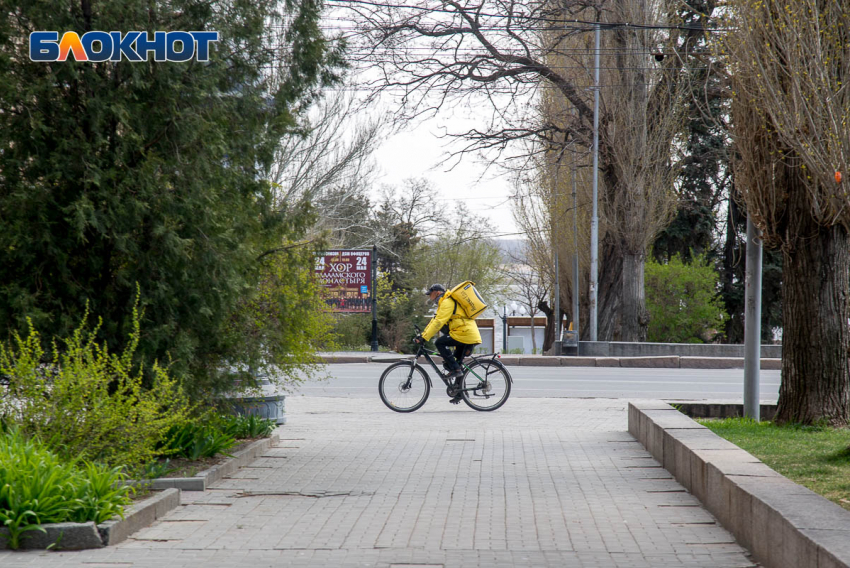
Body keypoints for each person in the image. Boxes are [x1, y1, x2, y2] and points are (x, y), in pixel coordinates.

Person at [414, 283, 482, 403]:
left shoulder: (447, 302)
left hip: (464, 333)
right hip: (463, 333)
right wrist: (423, 335)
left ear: (438, 292)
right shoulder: (444, 302)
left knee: (440, 343)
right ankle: (461, 392)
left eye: (431, 294)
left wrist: (424, 338)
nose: (430, 297)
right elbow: (434, 320)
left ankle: (455, 370)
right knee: (456, 363)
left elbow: (438, 322)